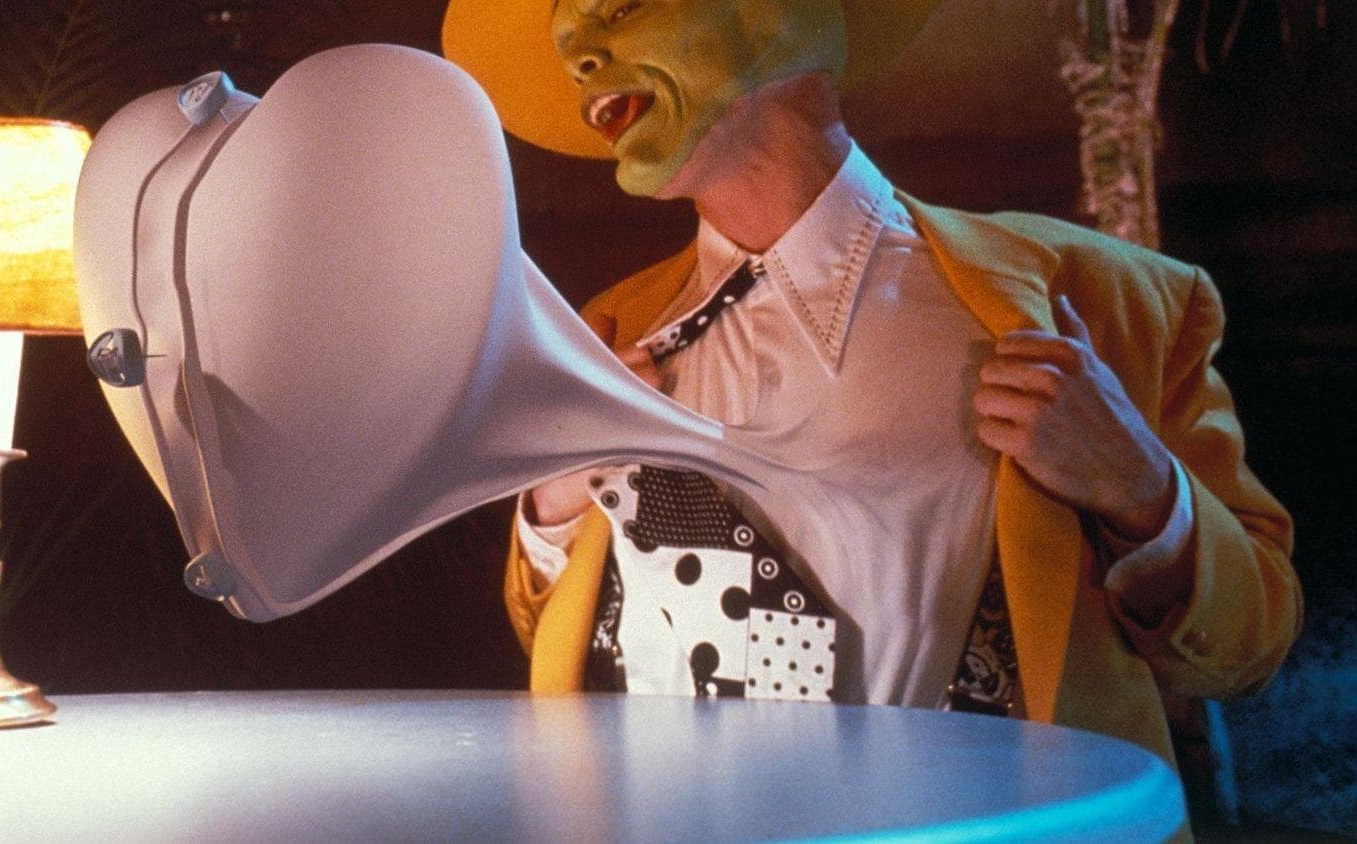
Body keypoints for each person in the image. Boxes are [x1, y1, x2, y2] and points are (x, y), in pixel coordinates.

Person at [440, 0, 1299, 780]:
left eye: (619, 8)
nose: (579, 56)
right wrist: (553, 502)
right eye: (568, 39)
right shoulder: (595, 336)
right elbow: (561, 638)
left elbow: (1250, 648)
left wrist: (1141, 489)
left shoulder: (1113, 301)